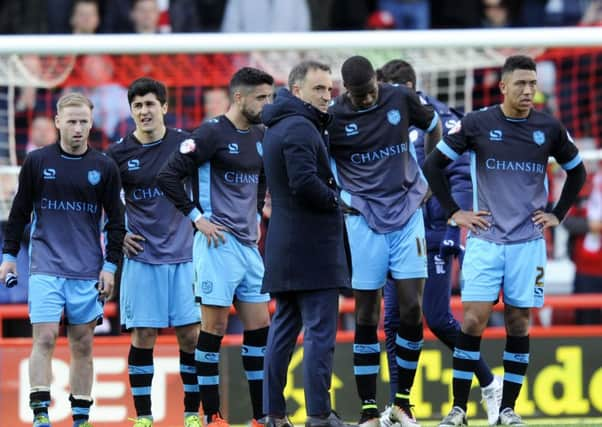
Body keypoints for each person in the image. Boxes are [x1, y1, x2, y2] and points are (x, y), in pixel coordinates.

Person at [423, 55, 587, 426]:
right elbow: (433, 164)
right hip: (485, 240)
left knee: (518, 322)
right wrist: (453, 211)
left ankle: (507, 410)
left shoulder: (549, 128)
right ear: (503, 87)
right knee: (473, 321)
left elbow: (576, 171)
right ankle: (459, 409)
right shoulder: (477, 123)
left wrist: (557, 214)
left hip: (528, 244)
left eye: (532, 83)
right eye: (520, 84)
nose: (528, 91)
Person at [376, 60, 502, 426]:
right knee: (393, 321)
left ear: (409, 87)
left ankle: (489, 383)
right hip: (395, 235)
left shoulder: (446, 122)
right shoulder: (386, 123)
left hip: (432, 237)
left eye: (389, 90)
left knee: (438, 318)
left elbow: (462, 177)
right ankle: (400, 406)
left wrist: (450, 228)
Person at [327, 55, 441, 427]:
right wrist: (344, 199)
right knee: (366, 313)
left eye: (371, 91)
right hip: (363, 221)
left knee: (411, 309)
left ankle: (404, 402)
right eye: (359, 95)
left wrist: (428, 177)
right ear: (347, 91)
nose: (367, 99)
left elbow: (435, 125)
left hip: (407, 215)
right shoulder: (333, 118)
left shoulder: (399, 98)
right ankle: (368, 409)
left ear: (378, 83)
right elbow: (317, 161)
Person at [158, 67, 274, 427]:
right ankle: (212, 415)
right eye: (261, 98)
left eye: (269, 97)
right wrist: (197, 218)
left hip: (246, 246)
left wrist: (255, 214)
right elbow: (167, 176)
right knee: (215, 328)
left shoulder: (260, 134)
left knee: (260, 328)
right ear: (239, 97)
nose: (266, 104)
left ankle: (260, 416)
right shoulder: (210, 133)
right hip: (216, 244)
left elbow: (261, 177)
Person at [0, 92, 125, 427]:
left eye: (84, 121)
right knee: (43, 338)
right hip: (45, 268)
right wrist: (9, 256)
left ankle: (80, 418)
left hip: (87, 271)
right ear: (57, 122)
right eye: (71, 121)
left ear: (91, 123)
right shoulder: (38, 162)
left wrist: (110, 267)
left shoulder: (104, 166)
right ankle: (41, 414)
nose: (78, 128)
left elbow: (116, 221)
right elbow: (19, 213)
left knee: (82, 344)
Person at [106, 78, 201, 427]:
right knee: (143, 335)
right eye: (137, 106)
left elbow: (207, 183)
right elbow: (101, 201)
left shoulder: (186, 144)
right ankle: (144, 417)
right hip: (142, 258)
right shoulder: (117, 155)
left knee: (191, 335)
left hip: (186, 256)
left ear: (164, 106)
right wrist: (118, 233)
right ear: (131, 111)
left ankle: (193, 413)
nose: (144, 111)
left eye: (150, 104)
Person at [260, 60, 351, 427]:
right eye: (318, 89)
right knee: (319, 332)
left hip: (286, 243)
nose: (327, 97)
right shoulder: (300, 127)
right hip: (312, 246)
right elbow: (303, 181)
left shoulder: (280, 126)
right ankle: (318, 414)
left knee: (283, 331)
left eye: (329, 89)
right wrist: (336, 199)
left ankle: (275, 414)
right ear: (297, 90)